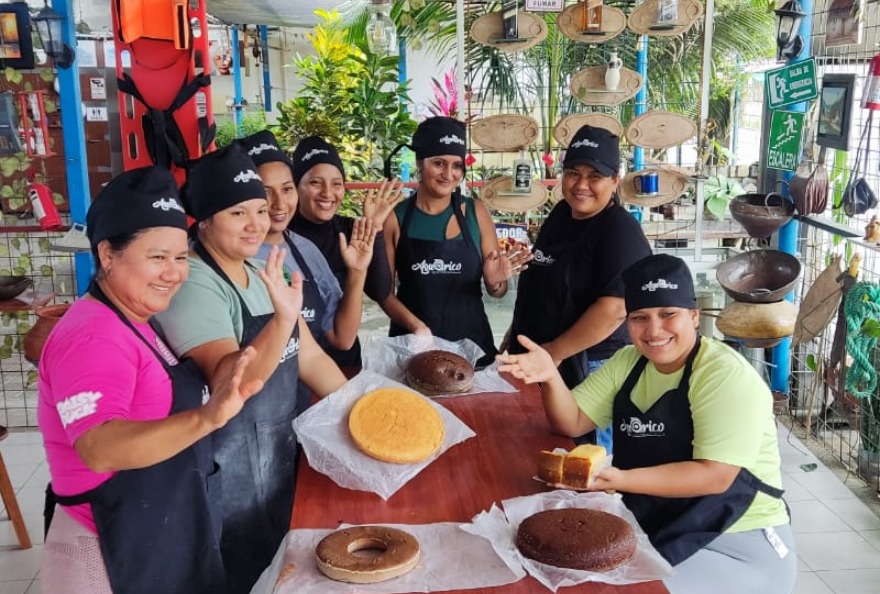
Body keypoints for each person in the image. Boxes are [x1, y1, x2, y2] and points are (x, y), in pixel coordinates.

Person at [498, 254, 796, 594]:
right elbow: (573, 421)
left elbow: (716, 476)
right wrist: (551, 376)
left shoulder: (721, 374)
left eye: (668, 314)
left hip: (738, 541)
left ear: (694, 317)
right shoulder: (629, 362)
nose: (654, 331)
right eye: (640, 318)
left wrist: (620, 479)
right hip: (662, 526)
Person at [38, 166, 263, 594]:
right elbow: (99, 447)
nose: (174, 272)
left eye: (180, 257)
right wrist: (206, 418)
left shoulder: (136, 320)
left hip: (156, 535)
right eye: (157, 257)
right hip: (107, 553)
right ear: (107, 255)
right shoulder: (92, 333)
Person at [154, 143, 347, 593]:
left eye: (260, 209)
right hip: (228, 475)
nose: (257, 223)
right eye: (238, 213)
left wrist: (366, 406)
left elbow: (311, 357)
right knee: (238, 575)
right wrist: (282, 318)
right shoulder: (194, 284)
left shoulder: (262, 268)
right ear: (204, 220)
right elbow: (232, 378)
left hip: (278, 459)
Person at [506, 124, 651, 446]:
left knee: (587, 458)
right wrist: (513, 341)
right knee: (540, 448)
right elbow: (539, 283)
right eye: (573, 173)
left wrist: (551, 355)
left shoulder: (619, 232)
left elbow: (613, 309)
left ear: (615, 180)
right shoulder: (561, 213)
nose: (581, 185)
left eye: (594, 176)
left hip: (590, 365)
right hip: (545, 359)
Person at [383, 116, 532, 367]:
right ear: (420, 162)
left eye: (456, 165)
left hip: (472, 348)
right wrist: (416, 328)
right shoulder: (395, 218)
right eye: (438, 163)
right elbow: (384, 293)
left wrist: (496, 281)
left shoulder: (476, 212)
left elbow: (498, 291)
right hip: (413, 347)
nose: (448, 174)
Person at [239, 131, 376, 382]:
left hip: (312, 389)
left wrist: (357, 272)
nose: (279, 204)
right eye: (265, 191)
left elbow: (341, 339)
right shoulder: (232, 256)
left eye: (286, 189)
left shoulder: (305, 250)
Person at [289, 135, 403, 367]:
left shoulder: (352, 230)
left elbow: (380, 290)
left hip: (343, 360)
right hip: (292, 362)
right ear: (296, 186)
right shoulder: (281, 235)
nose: (328, 193)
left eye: (337, 183)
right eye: (315, 183)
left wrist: (376, 230)